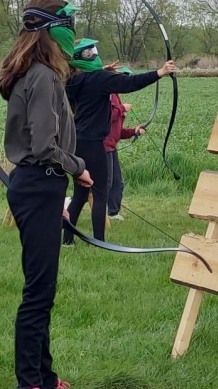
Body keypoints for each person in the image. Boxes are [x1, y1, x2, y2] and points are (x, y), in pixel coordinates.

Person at [0, 0, 94, 389]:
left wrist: (62, 183)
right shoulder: (42, 77)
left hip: (42, 186)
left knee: (44, 287)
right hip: (39, 184)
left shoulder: (36, 74)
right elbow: (42, 145)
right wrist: (78, 168)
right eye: (70, 25)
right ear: (56, 30)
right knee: (38, 292)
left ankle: (47, 379)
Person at [62, 40, 173, 245]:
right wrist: (161, 72)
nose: (94, 54)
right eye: (89, 53)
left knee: (80, 194)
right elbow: (131, 83)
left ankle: (67, 240)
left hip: (77, 143)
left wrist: (104, 71)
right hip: (95, 145)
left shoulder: (72, 80)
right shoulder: (99, 79)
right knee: (100, 193)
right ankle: (99, 242)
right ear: (79, 58)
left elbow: (89, 80)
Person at [104, 67, 143, 219]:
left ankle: (112, 212)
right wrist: (122, 108)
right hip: (102, 146)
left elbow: (117, 131)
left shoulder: (115, 95)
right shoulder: (108, 94)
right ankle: (99, 212)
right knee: (104, 184)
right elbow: (106, 115)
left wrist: (134, 131)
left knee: (117, 183)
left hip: (111, 146)